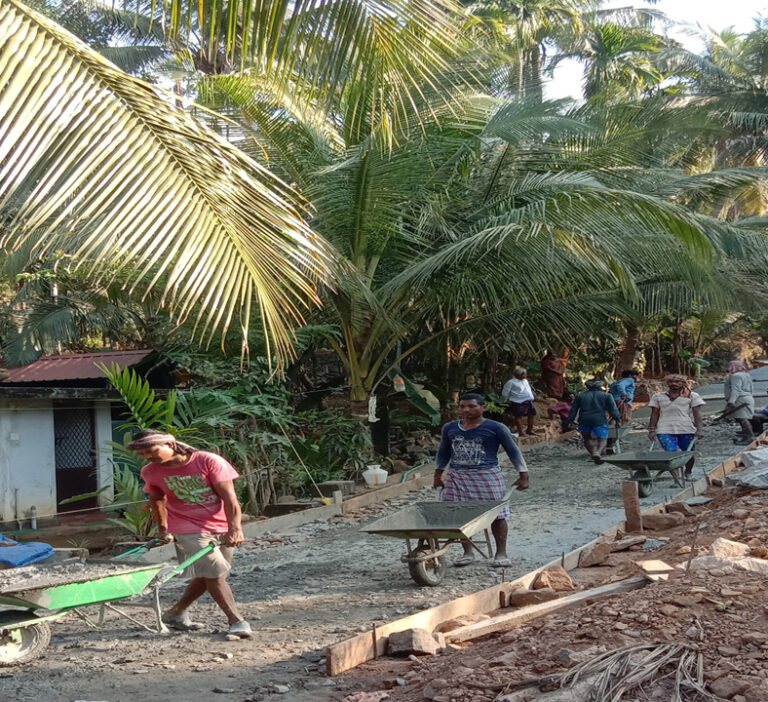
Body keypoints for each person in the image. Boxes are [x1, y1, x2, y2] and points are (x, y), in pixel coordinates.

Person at [128, 429, 252, 638]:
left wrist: (235, 529)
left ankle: (175, 613)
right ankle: (236, 621)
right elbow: (157, 500)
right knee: (215, 572)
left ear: (171, 445)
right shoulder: (151, 472)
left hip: (220, 525)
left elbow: (230, 498)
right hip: (186, 528)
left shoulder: (208, 461)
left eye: (152, 451)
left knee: (210, 574)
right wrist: (163, 529)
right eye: (142, 455)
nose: (148, 457)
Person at [435, 393, 529, 568]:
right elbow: (443, 452)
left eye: (471, 406)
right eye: (462, 406)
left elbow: (513, 451)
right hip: (457, 477)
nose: (466, 410)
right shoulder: (450, 428)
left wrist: (523, 475)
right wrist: (438, 475)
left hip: (486, 475)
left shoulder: (496, 427)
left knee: (497, 516)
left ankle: (501, 553)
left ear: (483, 407)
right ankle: (467, 552)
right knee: (459, 515)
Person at [648, 374, 704, 476]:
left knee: (689, 454)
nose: (673, 384)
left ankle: (688, 472)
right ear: (667, 383)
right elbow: (654, 413)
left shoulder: (692, 396)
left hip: (686, 428)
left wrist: (699, 429)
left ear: (683, 383)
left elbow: (697, 414)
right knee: (671, 454)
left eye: (677, 382)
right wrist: (651, 430)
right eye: (670, 382)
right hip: (664, 429)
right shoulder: (658, 396)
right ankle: (677, 478)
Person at [568, 379, 621, 462]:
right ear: (600, 386)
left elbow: (573, 410)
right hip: (600, 420)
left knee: (587, 438)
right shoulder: (607, 396)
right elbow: (613, 409)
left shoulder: (580, 396)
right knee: (602, 439)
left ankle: (593, 453)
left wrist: (570, 420)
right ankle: (598, 452)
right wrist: (618, 420)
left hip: (584, 420)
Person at [724, 361, 755, 440]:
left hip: (740, 399)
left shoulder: (736, 376)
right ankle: (745, 432)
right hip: (747, 398)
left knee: (742, 418)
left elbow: (736, 389)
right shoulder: (746, 375)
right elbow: (751, 388)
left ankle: (750, 435)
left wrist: (732, 401)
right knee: (739, 417)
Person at [502, 367, 537, 436]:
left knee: (532, 414)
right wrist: (504, 401)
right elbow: (505, 392)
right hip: (518, 401)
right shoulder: (511, 382)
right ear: (521, 374)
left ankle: (529, 430)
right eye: (525, 374)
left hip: (528, 400)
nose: (526, 375)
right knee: (518, 416)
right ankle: (521, 432)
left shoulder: (525, 381)